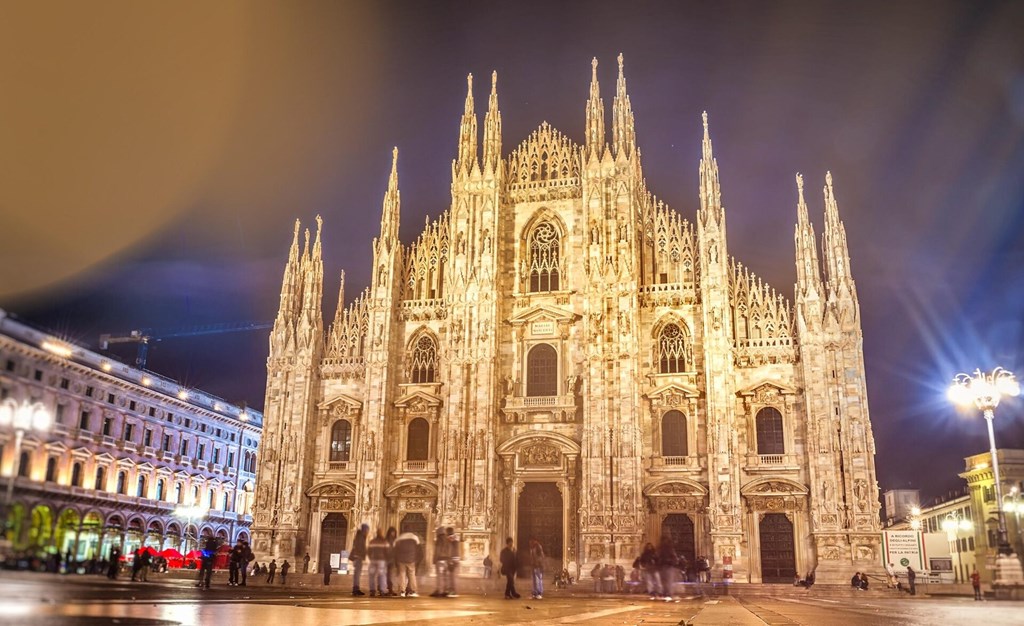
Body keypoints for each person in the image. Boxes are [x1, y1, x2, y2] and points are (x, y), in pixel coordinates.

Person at [394, 529, 421, 597]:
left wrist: (396, 559)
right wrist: (416, 559)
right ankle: (413, 591)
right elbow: (418, 549)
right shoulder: (415, 537)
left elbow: (395, 549)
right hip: (411, 559)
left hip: (401, 559)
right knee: (412, 575)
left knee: (402, 575)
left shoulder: (399, 538)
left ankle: (402, 591)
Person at [367, 529, 389, 597]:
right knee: (382, 575)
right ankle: (382, 590)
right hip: (381, 560)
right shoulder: (384, 541)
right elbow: (387, 552)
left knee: (372, 575)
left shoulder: (372, 541)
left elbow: (369, 551)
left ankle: (372, 590)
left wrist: (371, 558)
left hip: (373, 560)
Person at [657, 536, 678, 600]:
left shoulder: (669, 549)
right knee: (664, 581)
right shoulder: (660, 549)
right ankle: (665, 593)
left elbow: (674, 558)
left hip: (668, 566)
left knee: (668, 581)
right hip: (663, 567)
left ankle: (667, 593)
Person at [350, 523, 369, 596]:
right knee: (357, 574)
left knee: (357, 574)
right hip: (358, 557)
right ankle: (355, 589)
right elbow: (360, 547)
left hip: (357, 557)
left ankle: (356, 588)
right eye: (367, 530)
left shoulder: (359, 536)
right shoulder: (361, 536)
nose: (368, 532)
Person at [431, 528, 450, 597]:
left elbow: (437, 551)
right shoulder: (448, 540)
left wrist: (434, 559)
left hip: (440, 560)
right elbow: (450, 550)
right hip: (446, 560)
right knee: (445, 576)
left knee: (440, 576)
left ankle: (440, 591)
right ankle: (445, 590)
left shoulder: (439, 540)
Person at [385, 527, 398, 596]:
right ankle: (389, 589)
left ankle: (390, 589)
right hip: (388, 559)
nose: (393, 533)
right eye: (392, 532)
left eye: (394, 532)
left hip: (391, 559)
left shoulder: (394, 540)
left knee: (390, 575)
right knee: (388, 575)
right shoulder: (388, 540)